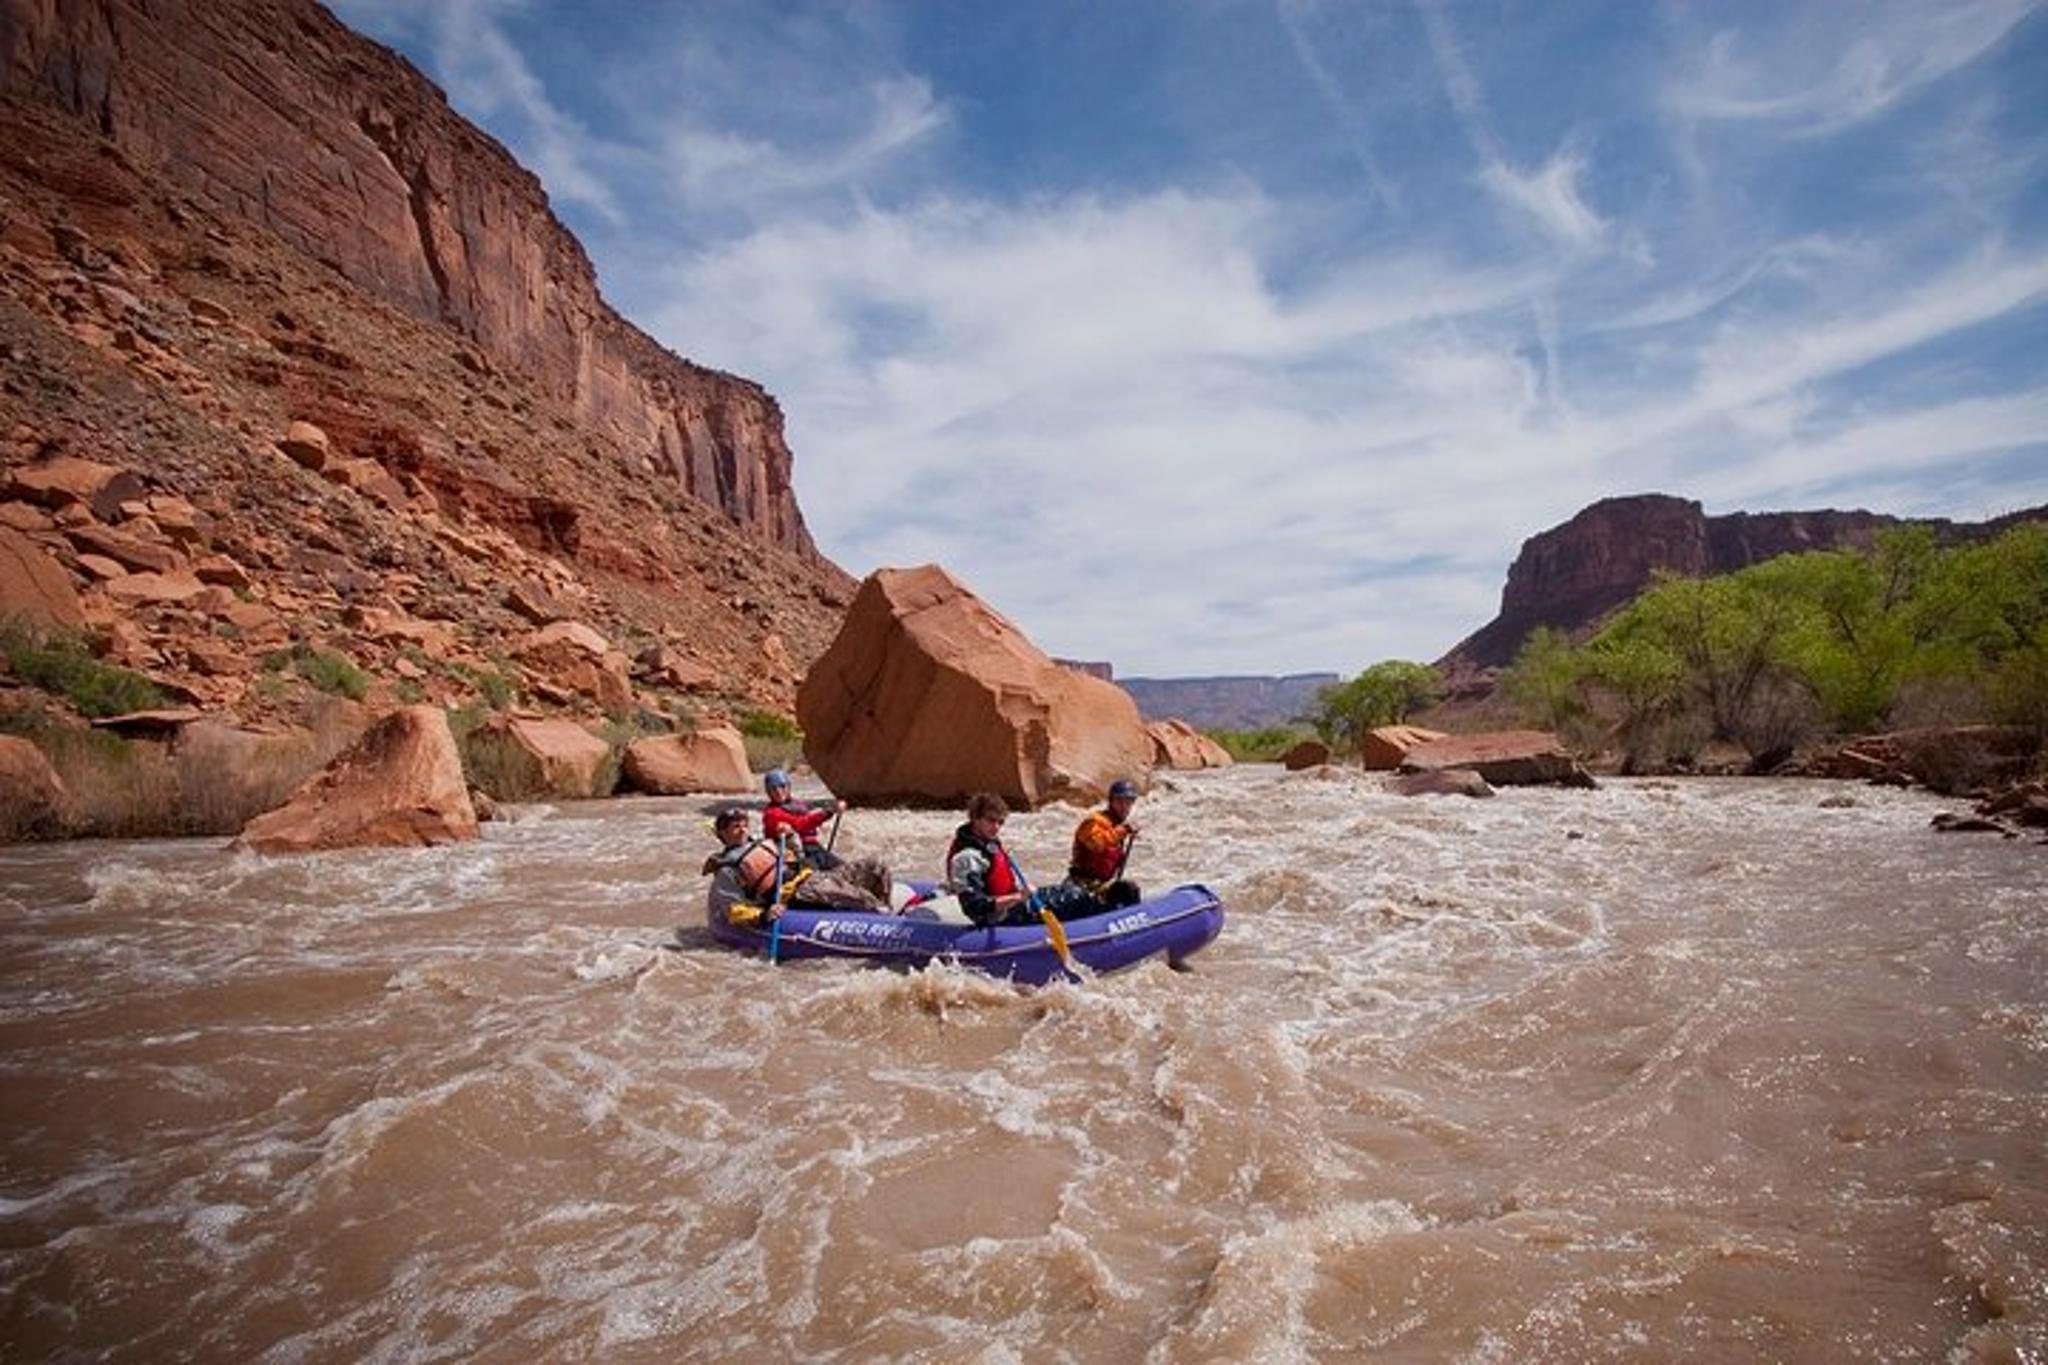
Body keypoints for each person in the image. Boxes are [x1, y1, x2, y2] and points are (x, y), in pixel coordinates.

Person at [703, 807, 893, 920]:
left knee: (876, 865)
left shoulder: (762, 843)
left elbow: (797, 856)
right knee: (861, 898)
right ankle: (888, 922)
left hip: (814, 878)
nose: (743, 829)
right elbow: (733, 909)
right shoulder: (727, 869)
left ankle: (887, 909)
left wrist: (791, 835)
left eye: (744, 824)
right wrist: (762, 915)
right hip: (796, 893)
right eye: (735, 826)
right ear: (723, 834)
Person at [944, 792, 1097, 927]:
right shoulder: (967, 858)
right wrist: (1018, 897)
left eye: (1000, 822)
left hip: (1012, 904)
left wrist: (1018, 896)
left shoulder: (987, 843)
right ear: (975, 819)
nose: (996, 827)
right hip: (1000, 917)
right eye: (991, 820)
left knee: (1073, 890)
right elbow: (974, 906)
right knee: (1075, 898)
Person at [1067, 777, 1143, 910]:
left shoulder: (1116, 825)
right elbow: (1096, 844)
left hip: (1101, 885)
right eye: (1119, 801)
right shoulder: (1094, 822)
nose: (1124, 807)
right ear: (1111, 801)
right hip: (1081, 885)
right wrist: (1124, 830)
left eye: (1128, 802)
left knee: (1129, 890)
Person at [761, 769, 845, 871]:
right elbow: (801, 824)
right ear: (768, 792)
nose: (779, 791)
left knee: (844, 869)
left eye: (782, 786)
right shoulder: (771, 814)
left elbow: (810, 814)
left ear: (789, 787)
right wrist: (829, 812)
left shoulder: (796, 804)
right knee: (814, 878)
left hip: (813, 847)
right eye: (773, 788)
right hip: (794, 855)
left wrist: (834, 806)